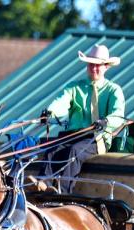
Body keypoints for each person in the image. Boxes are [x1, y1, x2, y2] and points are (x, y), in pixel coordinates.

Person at [39, 44, 126, 191]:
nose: (94, 68)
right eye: (91, 64)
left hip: (97, 138)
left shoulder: (114, 90)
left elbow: (118, 116)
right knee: (52, 149)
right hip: (73, 135)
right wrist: (50, 112)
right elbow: (62, 101)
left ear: (106, 67)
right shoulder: (74, 87)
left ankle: (63, 192)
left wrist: (105, 122)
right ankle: (42, 184)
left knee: (74, 150)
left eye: (98, 65)